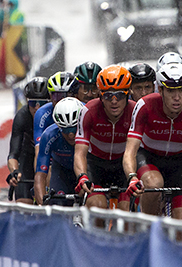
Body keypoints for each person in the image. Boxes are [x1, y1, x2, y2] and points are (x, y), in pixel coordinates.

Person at [122, 62, 182, 220]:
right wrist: (132, 177)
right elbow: (130, 151)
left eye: (181, 90)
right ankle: (149, 230)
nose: (177, 97)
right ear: (160, 89)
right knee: (153, 184)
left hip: (180, 163)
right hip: (149, 158)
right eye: (171, 91)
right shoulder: (144, 105)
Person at [74, 66, 136, 212]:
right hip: (96, 166)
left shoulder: (135, 111)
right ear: (100, 96)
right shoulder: (89, 111)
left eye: (119, 95)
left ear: (128, 95)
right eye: (108, 96)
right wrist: (82, 176)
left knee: (126, 210)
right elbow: (79, 152)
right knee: (97, 207)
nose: (114, 101)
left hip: (123, 166)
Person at [8, 77, 50, 204]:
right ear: (27, 101)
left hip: (49, 161)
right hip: (27, 159)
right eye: (33, 103)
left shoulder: (55, 115)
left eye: (42, 103)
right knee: (24, 205)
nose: (37, 108)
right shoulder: (22, 116)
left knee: (49, 204)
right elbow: (13, 154)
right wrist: (15, 172)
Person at [34, 97, 84, 205]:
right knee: (56, 204)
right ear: (58, 126)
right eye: (65, 130)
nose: (71, 134)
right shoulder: (49, 136)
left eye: (74, 129)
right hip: (62, 171)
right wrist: (43, 206)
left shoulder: (90, 131)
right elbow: (40, 175)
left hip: (87, 169)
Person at [33, 71, 77, 148]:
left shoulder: (85, 110)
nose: (62, 101)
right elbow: (39, 149)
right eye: (58, 96)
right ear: (50, 97)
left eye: (67, 96)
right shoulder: (42, 113)